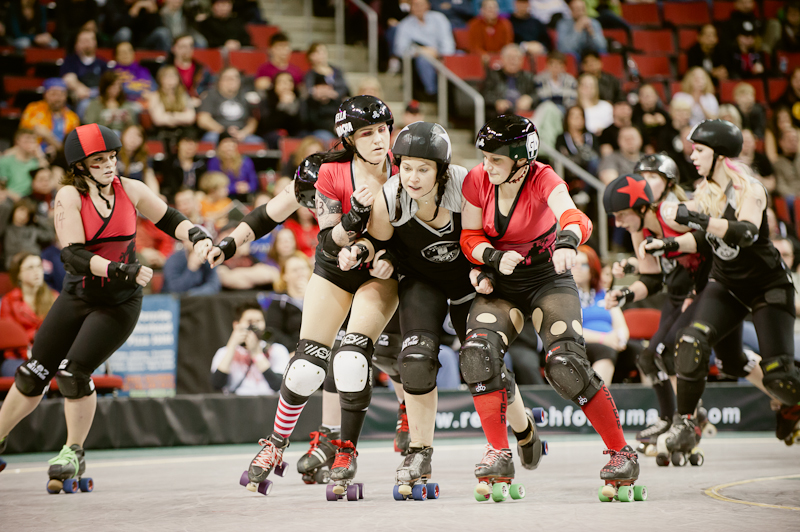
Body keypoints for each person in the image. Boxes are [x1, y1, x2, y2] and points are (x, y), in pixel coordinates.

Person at [0, 123, 213, 482]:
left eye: (112, 157)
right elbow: (73, 257)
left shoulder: (130, 188)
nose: (110, 165)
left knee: (73, 374)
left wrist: (196, 235)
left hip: (119, 303)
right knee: (32, 373)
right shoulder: (69, 196)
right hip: (79, 293)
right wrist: (122, 269)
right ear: (80, 166)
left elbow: (169, 218)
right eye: (99, 160)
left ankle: (74, 451)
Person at [209, 96, 399, 496]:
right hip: (335, 266)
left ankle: (356, 442)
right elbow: (268, 215)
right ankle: (276, 445)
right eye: (368, 133)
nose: (380, 139)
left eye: (384, 129)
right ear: (349, 139)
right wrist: (229, 244)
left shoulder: (405, 168)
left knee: (361, 357)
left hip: (382, 270)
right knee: (307, 365)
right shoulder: (324, 172)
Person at [350, 121, 545, 494]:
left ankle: (523, 429)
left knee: (482, 362)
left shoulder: (467, 184)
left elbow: (492, 234)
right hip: (423, 282)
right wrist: (381, 257)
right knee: (416, 360)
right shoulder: (390, 195)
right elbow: (379, 243)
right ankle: (420, 451)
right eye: (406, 167)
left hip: (471, 279)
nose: (412, 177)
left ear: (442, 170)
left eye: (423, 169)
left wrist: (488, 271)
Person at [461, 114, 639, 499]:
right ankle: (498, 451)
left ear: (521, 160)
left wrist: (567, 242)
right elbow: (470, 235)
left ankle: (621, 452)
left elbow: (575, 217)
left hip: (548, 278)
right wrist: (490, 257)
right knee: (477, 352)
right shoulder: (477, 179)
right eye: (485, 157)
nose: (486, 165)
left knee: (566, 363)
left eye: (496, 159)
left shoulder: (543, 178)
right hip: (503, 281)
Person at [641, 119, 800, 452]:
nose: (693, 156)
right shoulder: (706, 190)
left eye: (699, 150)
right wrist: (668, 245)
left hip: (767, 285)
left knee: (779, 377)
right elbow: (704, 237)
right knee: (691, 340)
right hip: (728, 284)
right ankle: (686, 423)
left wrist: (694, 216)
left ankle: (791, 405)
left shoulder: (749, 189)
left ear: (720, 154)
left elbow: (745, 232)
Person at [573, 245, 640, 385]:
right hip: (583, 345)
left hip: (611, 343)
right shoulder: (566, 296)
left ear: (593, 268)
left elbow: (621, 326)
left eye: (583, 264)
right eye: (574, 263)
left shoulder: (604, 294)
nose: (577, 267)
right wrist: (604, 338)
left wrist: (620, 339)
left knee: (642, 352)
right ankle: (598, 403)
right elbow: (571, 330)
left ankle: (652, 404)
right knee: (605, 351)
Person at [210, 301, 289, 395]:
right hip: (236, 405)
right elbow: (217, 384)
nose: (255, 326)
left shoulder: (278, 350)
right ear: (236, 325)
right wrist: (231, 346)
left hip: (268, 404)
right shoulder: (223, 352)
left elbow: (279, 385)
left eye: (259, 321)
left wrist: (256, 354)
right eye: (249, 321)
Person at [0, 252, 58, 376]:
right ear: (19, 274)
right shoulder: (8, 301)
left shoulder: (54, 298)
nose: (36, 271)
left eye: (38, 266)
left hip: (50, 355)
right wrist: (30, 351)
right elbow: (11, 337)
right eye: (30, 268)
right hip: (18, 357)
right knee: (27, 375)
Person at [393, 0, 455, 97]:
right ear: (410, 7)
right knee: (423, 60)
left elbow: (448, 42)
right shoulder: (404, 25)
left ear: (428, 6)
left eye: (421, 5)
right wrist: (419, 51)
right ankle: (432, 93)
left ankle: (455, 94)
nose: (419, 8)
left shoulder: (439, 18)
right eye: (415, 5)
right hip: (421, 57)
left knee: (460, 56)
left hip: (442, 54)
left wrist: (440, 54)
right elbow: (400, 50)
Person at [197, 67, 261, 145]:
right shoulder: (210, 95)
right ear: (220, 81)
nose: (231, 81)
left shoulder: (246, 96)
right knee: (210, 139)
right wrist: (224, 132)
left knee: (258, 142)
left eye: (235, 78)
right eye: (227, 78)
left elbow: (253, 121)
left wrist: (243, 133)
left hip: (241, 134)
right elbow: (203, 119)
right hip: (218, 133)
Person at [19, 79, 80, 158]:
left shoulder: (72, 117)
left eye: (61, 94)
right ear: (45, 94)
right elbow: (28, 132)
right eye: (53, 94)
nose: (57, 98)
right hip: (34, 154)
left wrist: (54, 143)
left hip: (62, 156)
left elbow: (72, 145)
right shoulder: (34, 109)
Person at [555, 105, 600, 207]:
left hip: (591, 176)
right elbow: (562, 158)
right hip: (570, 174)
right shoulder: (562, 138)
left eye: (580, 116)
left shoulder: (591, 137)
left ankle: (584, 192)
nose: (577, 119)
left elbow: (597, 157)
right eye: (574, 116)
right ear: (567, 119)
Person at [304, 43, 350, 140]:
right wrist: (325, 93)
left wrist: (333, 94)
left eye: (323, 51)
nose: (322, 55)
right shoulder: (310, 75)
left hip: (336, 109)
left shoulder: (337, 71)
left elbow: (345, 89)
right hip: (319, 114)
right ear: (311, 56)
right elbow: (311, 92)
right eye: (318, 52)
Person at [147, 65, 197, 155]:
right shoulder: (155, 96)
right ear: (160, 79)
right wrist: (181, 116)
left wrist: (170, 115)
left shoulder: (183, 95)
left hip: (182, 132)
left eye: (173, 76)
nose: (170, 79)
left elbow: (190, 117)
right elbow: (159, 119)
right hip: (163, 133)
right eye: (166, 76)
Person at [60, 29, 109, 118]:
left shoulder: (102, 63)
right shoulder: (70, 61)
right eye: (83, 40)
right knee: (85, 104)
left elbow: (108, 83)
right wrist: (80, 89)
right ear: (76, 44)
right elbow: (69, 79)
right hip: (80, 99)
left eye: (90, 40)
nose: (87, 43)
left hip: (100, 97)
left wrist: (94, 93)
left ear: (95, 42)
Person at [482, 44, 537, 117]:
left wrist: (530, 99)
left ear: (522, 61)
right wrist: (496, 102)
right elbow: (485, 94)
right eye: (509, 58)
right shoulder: (493, 75)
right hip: (500, 116)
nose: (513, 61)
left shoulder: (528, 77)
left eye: (516, 58)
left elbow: (538, 93)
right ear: (502, 59)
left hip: (523, 115)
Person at [83, 71, 139, 135]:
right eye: (113, 86)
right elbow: (89, 127)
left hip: (122, 136)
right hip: (102, 136)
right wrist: (107, 121)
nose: (116, 89)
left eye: (118, 86)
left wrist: (127, 120)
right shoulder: (95, 104)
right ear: (106, 86)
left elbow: (133, 127)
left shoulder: (125, 105)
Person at [3, 198, 54, 270]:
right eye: (21, 210)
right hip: (13, 265)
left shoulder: (32, 229)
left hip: (34, 262)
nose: (23, 216)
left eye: (27, 214)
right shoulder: (6, 228)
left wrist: (37, 219)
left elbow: (50, 235)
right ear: (14, 210)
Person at [0, 129, 49, 200]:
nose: (30, 143)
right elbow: (2, 186)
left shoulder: (36, 162)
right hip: (11, 199)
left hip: (31, 199)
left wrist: (39, 154)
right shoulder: (6, 161)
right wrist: (12, 195)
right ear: (18, 141)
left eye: (32, 141)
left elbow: (47, 175)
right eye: (26, 140)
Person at [259, 72, 305, 147]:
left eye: (289, 81)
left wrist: (292, 106)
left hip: (294, 133)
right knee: (277, 138)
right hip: (272, 134)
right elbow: (267, 125)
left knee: (305, 137)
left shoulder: (299, 100)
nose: (286, 85)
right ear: (274, 85)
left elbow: (302, 124)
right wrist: (282, 105)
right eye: (281, 82)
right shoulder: (267, 100)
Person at [105, 0, 172, 51]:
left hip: (141, 41)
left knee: (163, 32)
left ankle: (165, 64)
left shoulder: (143, 4)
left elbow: (155, 27)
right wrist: (133, 11)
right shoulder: (114, 3)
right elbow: (115, 26)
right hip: (117, 40)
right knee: (125, 32)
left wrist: (153, 13)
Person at [207, 133, 258, 198]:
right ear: (219, 146)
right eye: (226, 143)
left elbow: (254, 183)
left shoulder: (245, 161)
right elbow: (213, 185)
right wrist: (234, 188)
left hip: (244, 196)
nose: (229, 147)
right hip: (221, 197)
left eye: (232, 143)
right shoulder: (214, 162)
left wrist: (248, 187)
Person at [168, 33, 213, 100]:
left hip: (198, 103)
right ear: (173, 48)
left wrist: (205, 95)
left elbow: (211, 87)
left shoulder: (203, 69)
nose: (188, 49)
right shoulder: (167, 69)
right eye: (183, 46)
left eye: (191, 46)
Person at [116, 125, 159, 193]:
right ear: (123, 136)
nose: (133, 139)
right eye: (130, 135)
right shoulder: (114, 155)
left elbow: (150, 178)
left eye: (138, 136)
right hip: (119, 193)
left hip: (139, 193)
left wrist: (156, 196)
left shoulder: (144, 156)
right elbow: (113, 180)